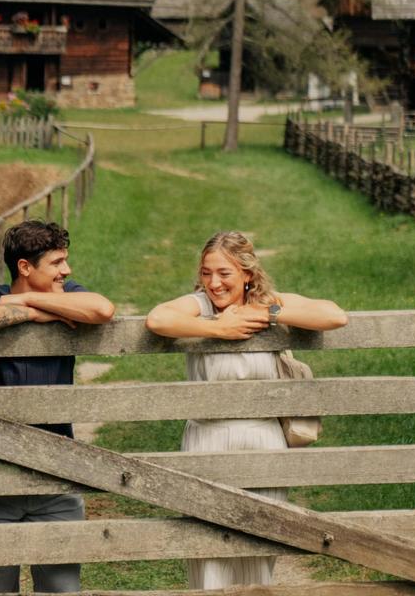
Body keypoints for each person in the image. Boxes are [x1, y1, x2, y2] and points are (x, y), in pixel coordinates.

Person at [144, 230, 346, 590]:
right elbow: (158, 320)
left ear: (247, 274)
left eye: (224, 273)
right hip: (208, 438)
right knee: (209, 548)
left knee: (259, 542)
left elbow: (334, 315)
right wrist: (218, 328)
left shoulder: (267, 304)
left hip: (262, 438)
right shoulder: (200, 306)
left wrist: (268, 313)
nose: (214, 283)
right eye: (207, 273)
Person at [0, 219, 115, 594]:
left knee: (62, 588)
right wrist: (38, 315)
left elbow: (103, 310)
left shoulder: (67, 293)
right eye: (57, 263)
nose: (66, 271)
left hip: (56, 473)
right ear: (25, 267)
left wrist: (24, 301)